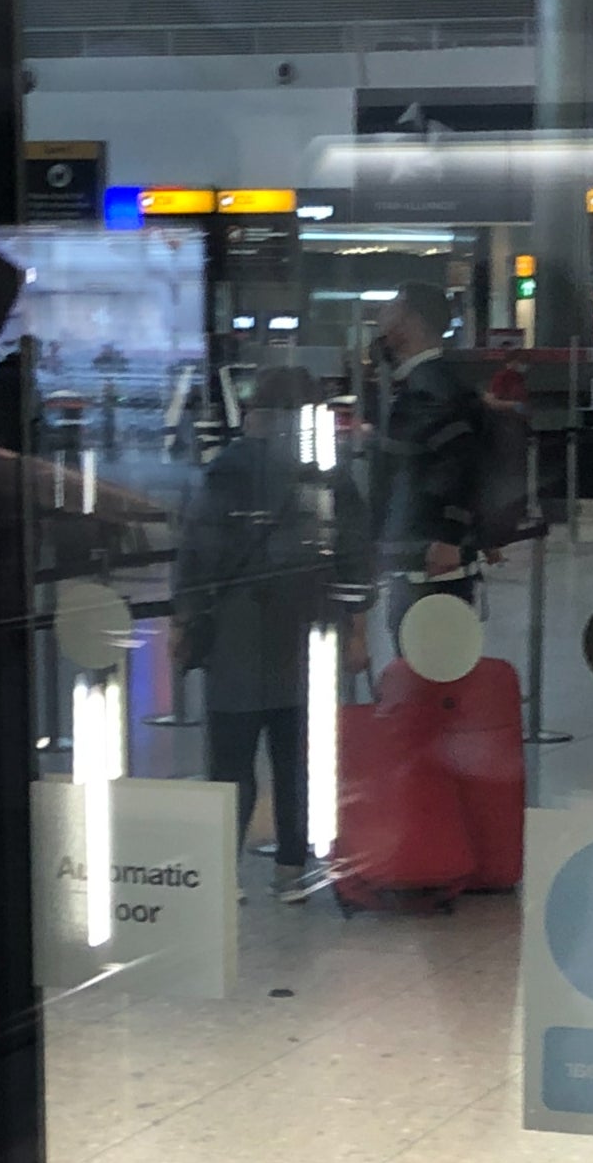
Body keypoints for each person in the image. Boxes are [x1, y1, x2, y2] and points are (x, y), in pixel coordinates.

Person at [175, 365, 359, 898]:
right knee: (297, 756)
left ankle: (222, 870)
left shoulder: (228, 468)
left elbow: (199, 549)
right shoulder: (328, 470)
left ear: (256, 412)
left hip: (240, 627)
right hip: (307, 625)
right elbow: (352, 549)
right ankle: (290, 866)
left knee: (232, 759)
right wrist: (356, 625)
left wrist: (185, 617)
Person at [364, 279, 488, 656]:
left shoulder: (427, 387)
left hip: (428, 563)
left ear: (411, 322)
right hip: (428, 558)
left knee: (426, 669)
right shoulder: (435, 381)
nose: (382, 321)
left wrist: (451, 535)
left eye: (391, 310)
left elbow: (460, 459)